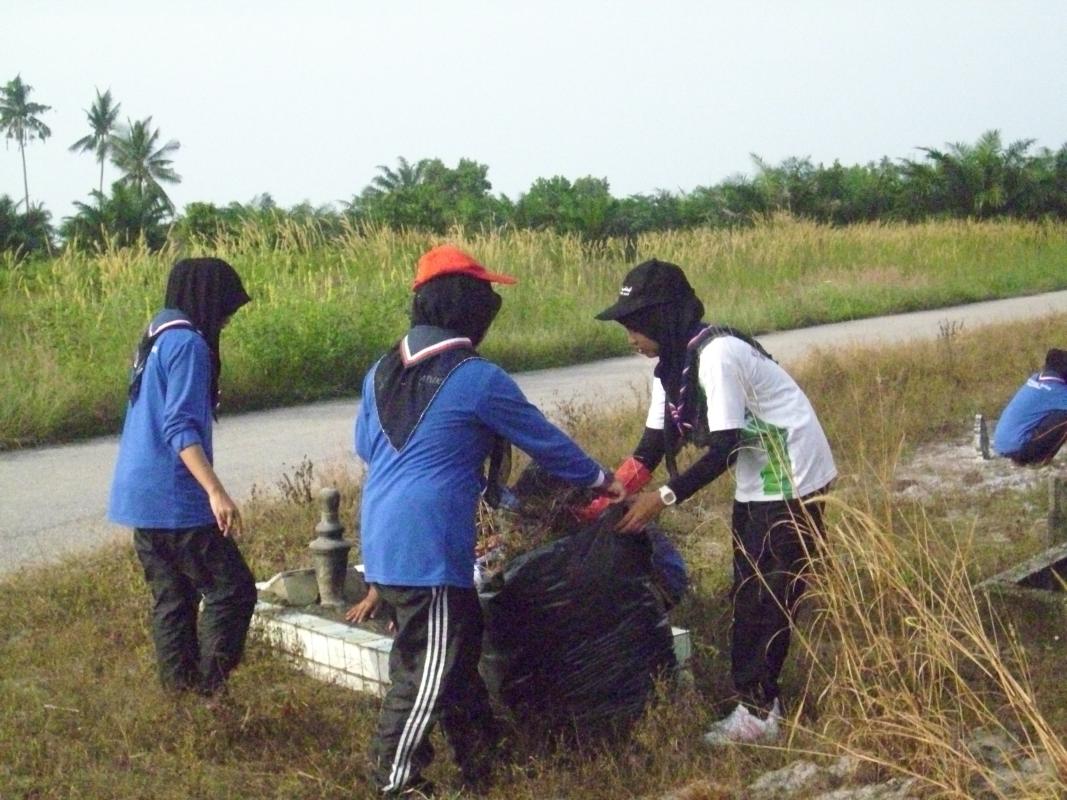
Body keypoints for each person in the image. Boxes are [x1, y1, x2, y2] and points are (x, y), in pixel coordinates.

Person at [348, 244, 624, 796]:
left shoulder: (379, 370)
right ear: (469, 308)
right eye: (488, 298)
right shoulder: (477, 377)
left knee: (456, 646)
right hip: (430, 548)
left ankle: (484, 759)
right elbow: (545, 442)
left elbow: (365, 446)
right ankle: (395, 782)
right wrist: (603, 480)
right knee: (424, 673)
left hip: (381, 536)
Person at [596, 258, 837, 745]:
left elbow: (723, 447)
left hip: (791, 473)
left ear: (664, 315)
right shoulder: (671, 368)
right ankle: (762, 699)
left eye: (636, 327)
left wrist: (660, 499)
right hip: (759, 471)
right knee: (748, 582)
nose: (631, 340)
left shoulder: (717, 354)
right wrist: (613, 489)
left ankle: (759, 713)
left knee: (766, 592)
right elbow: (652, 443)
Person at [108, 257, 257, 698]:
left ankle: (181, 700)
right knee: (233, 591)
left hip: (141, 498)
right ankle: (211, 694)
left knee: (173, 601)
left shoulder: (155, 336)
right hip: (176, 498)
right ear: (209, 301)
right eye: (228, 308)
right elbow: (179, 428)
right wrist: (216, 491)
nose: (228, 319)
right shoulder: (188, 344)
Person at [993, 348, 1067, 465]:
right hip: (1018, 447)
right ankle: (1039, 460)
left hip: (1002, 444)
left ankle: (1024, 459)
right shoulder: (1055, 390)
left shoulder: (1035, 378)